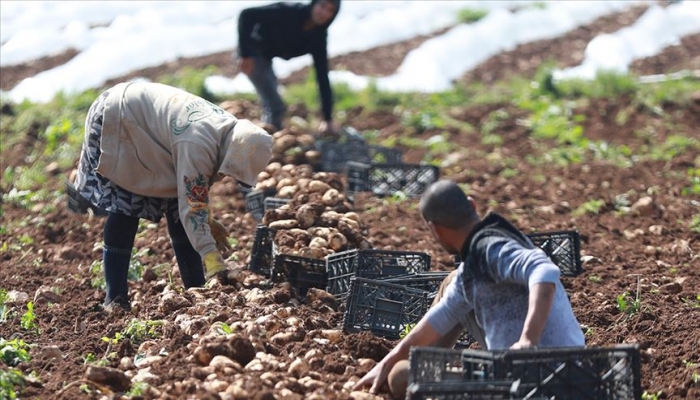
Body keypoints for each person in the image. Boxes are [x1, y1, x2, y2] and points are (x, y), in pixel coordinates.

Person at [352, 180, 585, 398]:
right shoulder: (475, 265)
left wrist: (527, 341)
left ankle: (430, 373)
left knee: (402, 377)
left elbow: (544, 271)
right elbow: (438, 318)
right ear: (472, 205)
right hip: (575, 370)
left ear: (435, 229)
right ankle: (423, 366)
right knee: (399, 370)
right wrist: (386, 361)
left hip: (534, 380)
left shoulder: (491, 249)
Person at [73, 81, 273, 313]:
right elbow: (193, 205)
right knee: (126, 206)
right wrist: (211, 257)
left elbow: (191, 199)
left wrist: (206, 220)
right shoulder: (197, 145)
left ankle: (196, 290)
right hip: (119, 118)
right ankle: (115, 299)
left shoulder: (229, 131)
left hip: (145, 123)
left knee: (178, 210)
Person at [236, 0, 341, 135]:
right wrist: (245, 54)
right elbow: (247, 15)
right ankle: (266, 144)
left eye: (330, 10)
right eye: (322, 6)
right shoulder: (288, 11)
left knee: (271, 101)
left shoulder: (318, 36)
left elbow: (322, 75)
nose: (324, 13)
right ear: (314, 4)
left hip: (267, 58)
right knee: (275, 106)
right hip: (252, 54)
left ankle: (265, 137)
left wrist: (327, 119)